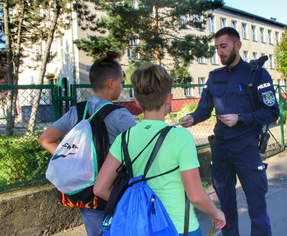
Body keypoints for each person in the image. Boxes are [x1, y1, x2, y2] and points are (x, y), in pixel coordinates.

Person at [93, 63, 226, 235]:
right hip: (179, 228)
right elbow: (196, 196)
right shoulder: (180, 137)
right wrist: (216, 213)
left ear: (136, 100)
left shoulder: (124, 138)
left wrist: (130, 205)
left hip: (140, 228)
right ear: (169, 99)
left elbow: (100, 189)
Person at [180, 27, 279, 236]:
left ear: (238, 45)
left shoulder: (258, 74)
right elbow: (204, 109)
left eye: (223, 46)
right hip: (221, 150)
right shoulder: (214, 76)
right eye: (217, 48)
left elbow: (272, 113)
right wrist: (193, 117)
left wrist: (241, 118)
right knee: (225, 210)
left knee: (257, 209)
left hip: (247, 149)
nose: (220, 52)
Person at [38, 51, 136, 236]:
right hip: (113, 191)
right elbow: (140, 150)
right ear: (111, 83)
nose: (121, 87)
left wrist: (74, 162)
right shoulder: (121, 115)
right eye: (121, 82)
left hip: (85, 192)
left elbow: (45, 139)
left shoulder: (77, 111)